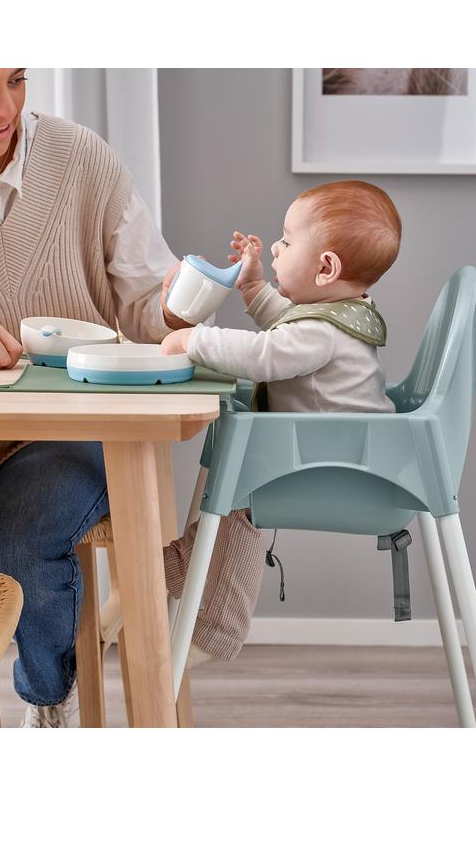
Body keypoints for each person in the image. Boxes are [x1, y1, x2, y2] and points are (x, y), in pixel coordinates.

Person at [0, 67, 192, 727]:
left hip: (68, 430)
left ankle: (47, 701)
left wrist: (178, 302)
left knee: (19, 544)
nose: (5, 108)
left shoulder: (79, 157)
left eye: (17, 79)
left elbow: (145, 305)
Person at [160, 179, 402, 666]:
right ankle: (179, 569)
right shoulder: (335, 318)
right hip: (334, 456)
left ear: (326, 267)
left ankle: (209, 625)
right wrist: (251, 285)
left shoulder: (321, 332)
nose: (275, 245)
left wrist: (194, 340)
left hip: (333, 470)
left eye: (288, 241)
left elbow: (266, 355)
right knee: (232, 497)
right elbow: (285, 326)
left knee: (235, 507)